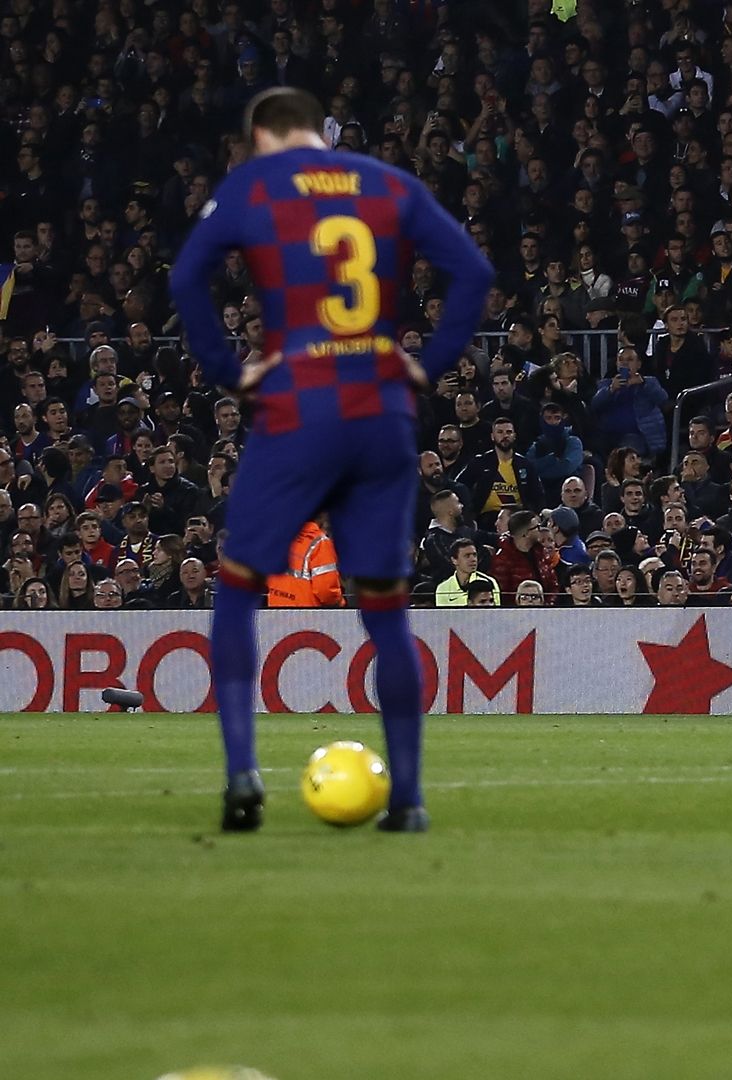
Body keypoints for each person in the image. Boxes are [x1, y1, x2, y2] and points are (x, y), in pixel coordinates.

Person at [169, 88, 491, 834]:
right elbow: (472, 272)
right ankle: (408, 799)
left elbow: (186, 279)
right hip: (381, 411)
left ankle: (242, 772)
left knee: (240, 590)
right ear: (322, 131)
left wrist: (228, 369)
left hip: (298, 407)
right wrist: (429, 363)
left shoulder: (253, 184)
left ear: (260, 135)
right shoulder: (389, 183)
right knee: (386, 614)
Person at [263, 518, 344, 607]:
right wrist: (340, 602)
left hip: (275, 614)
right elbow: (326, 592)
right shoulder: (320, 543)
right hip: (307, 617)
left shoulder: (279, 537)